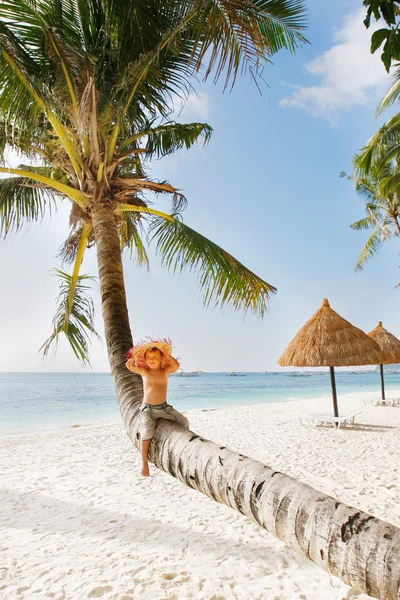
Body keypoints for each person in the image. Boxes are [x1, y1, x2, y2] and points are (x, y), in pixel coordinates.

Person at [125, 340, 189, 476]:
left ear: (161, 358)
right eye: (148, 357)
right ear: (145, 360)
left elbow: (176, 365)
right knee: (147, 433)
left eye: (155, 357)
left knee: (184, 422)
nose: (151, 360)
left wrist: (167, 354)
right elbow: (129, 366)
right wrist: (134, 357)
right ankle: (144, 463)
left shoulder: (165, 371)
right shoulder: (145, 371)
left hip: (164, 407)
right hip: (148, 409)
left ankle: (181, 446)